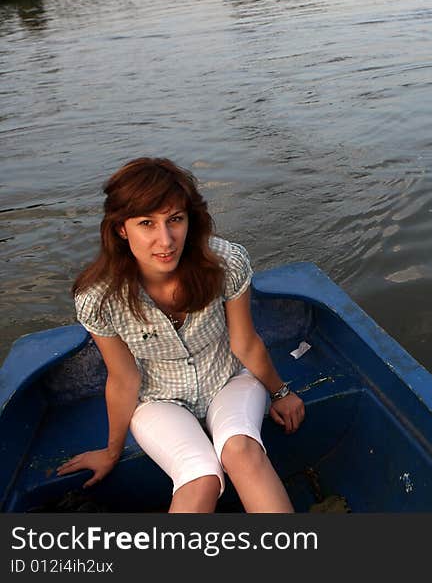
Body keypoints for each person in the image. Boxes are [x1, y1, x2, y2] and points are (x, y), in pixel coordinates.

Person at [56, 157, 304, 513]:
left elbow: (244, 343)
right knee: (199, 478)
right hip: (159, 399)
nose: (166, 240)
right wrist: (111, 452)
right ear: (121, 229)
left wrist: (280, 393)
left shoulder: (224, 262)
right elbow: (123, 378)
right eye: (146, 223)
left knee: (242, 452)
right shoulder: (99, 297)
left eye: (175, 219)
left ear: (190, 219)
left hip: (228, 379)